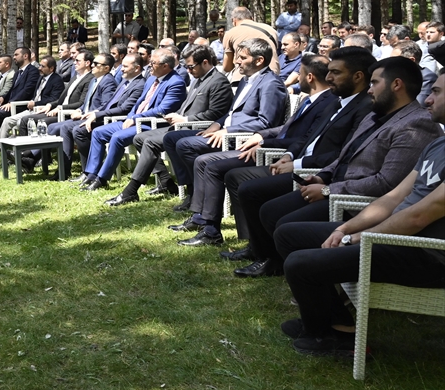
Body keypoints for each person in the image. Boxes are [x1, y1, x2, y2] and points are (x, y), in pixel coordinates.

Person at [271, 73, 445, 356]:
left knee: (301, 263)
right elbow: (392, 199)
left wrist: (357, 238)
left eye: (436, 91)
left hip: (427, 253)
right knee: (290, 235)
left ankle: (332, 339)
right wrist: (344, 229)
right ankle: (336, 326)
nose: (427, 97)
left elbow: (419, 217)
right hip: (396, 239)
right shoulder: (438, 146)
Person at [236, 56, 440, 277]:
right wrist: (323, 176)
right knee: (269, 209)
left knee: (284, 223)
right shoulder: (375, 115)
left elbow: (386, 183)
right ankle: (277, 262)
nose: (369, 90)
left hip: (355, 202)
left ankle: (302, 270)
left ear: (396, 85)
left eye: (374, 83)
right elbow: (345, 155)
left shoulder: (417, 124)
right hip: (335, 187)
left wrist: (328, 191)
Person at [223, 47, 377, 272]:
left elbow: (344, 153)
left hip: (318, 172)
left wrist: (298, 165)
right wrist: (288, 155)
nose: (329, 77)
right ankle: (258, 248)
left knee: (252, 191)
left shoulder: (365, 107)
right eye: (329, 72)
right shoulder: (337, 100)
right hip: (301, 163)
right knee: (241, 181)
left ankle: (270, 259)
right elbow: (307, 137)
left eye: (336, 73)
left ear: (358, 76)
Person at [175, 54, 340, 247]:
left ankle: (213, 229)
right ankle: (208, 222)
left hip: (278, 154)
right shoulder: (310, 100)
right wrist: (261, 136)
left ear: (310, 77)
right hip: (269, 147)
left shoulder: (327, 102)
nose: (297, 77)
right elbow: (285, 128)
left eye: (300, 73)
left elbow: (305, 138)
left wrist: (266, 145)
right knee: (204, 161)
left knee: (211, 165)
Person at [161, 38, 287, 223]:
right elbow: (232, 112)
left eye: (242, 58)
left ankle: (200, 205)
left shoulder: (270, 84)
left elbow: (266, 122)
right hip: (225, 131)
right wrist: (218, 124)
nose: (236, 61)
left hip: (241, 139)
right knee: (173, 138)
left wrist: (228, 130)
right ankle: (196, 194)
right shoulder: (246, 80)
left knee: (187, 146)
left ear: (259, 60)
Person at [103, 44, 233, 206]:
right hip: (183, 126)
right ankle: (166, 181)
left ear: (205, 62)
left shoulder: (218, 82)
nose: (188, 70)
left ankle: (132, 190)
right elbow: (187, 107)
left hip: (201, 129)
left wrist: (185, 120)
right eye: (187, 66)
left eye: (191, 66)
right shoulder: (197, 80)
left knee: (152, 142)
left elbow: (216, 114)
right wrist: (177, 116)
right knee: (140, 138)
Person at [79, 48, 188, 191]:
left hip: (152, 125)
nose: (149, 66)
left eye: (153, 63)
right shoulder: (151, 80)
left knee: (117, 137)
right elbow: (138, 104)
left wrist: (136, 118)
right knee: (98, 132)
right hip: (135, 121)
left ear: (165, 66)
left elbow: (163, 110)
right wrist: (131, 117)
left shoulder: (175, 83)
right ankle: (92, 174)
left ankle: (102, 179)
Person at [47, 53, 146, 180]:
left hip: (111, 119)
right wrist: (80, 110)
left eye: (96, 64)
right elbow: (99, 103)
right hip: (98, 116)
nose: (121, 69)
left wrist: (95, 115)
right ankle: (68, 170)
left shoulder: (119, 82)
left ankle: (86, 171)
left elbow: (122, 108)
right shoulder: (118, 81)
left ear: (106, 68)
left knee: (76, 130)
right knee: (59, 127)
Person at [221, 7, 281, 79]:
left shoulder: (230, 33)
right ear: (252, 18)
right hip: (272, 75)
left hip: (243, 78)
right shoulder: (271, 29)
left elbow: (227, 67)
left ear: (233, 20)